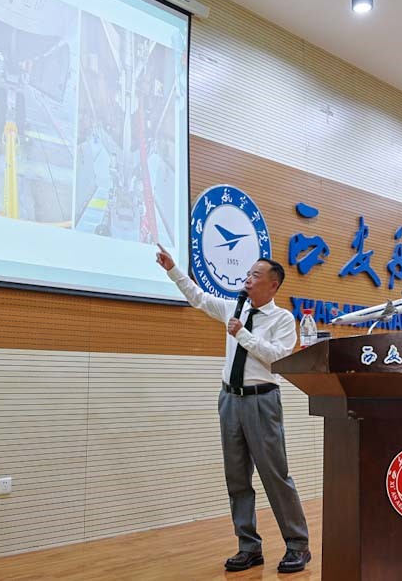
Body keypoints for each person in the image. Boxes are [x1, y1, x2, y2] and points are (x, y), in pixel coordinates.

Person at [155, 244, 311, 573]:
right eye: (248, 274)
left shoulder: (283, 319)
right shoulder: (233, 307)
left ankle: (298, 545)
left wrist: (243, 334)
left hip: (262, 400)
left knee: (275, 476)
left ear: (273, 284)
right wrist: (172, 269)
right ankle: (248, 546)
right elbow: (197, 297)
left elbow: (278, 358)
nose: (248, 279)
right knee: (237, 478)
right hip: (229, 400)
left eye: (255, 275)